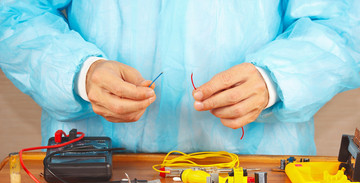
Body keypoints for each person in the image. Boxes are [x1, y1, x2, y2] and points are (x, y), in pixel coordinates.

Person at [0, 1, 359, 155]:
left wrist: (275, 79)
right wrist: (80, 73)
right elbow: (15, 14)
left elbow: (344, 24)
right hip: (98, 167)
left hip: (257, 163)